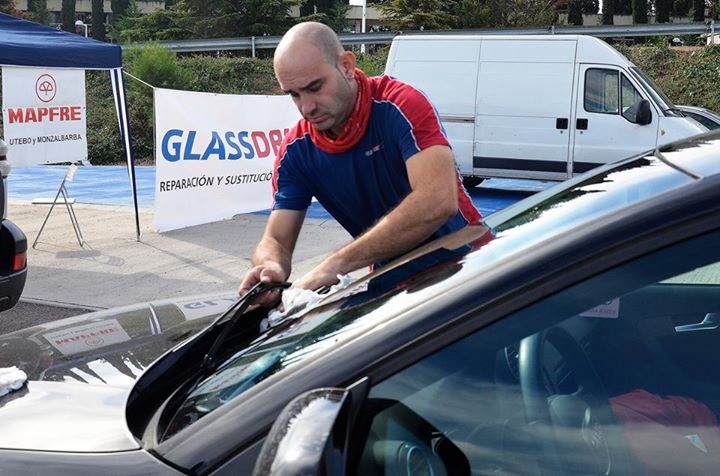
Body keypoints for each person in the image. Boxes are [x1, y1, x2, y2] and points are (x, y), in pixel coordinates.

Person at [238, 21, 481, 305]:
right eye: (294, 94)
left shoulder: (401, 103)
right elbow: (276, 240)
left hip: (473, 268)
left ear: (347, 66)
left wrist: (335, 265)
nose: (307, 107)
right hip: (395, 290)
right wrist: (270, 265)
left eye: (315, 87)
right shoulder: (295, 152)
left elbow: (437, 201)